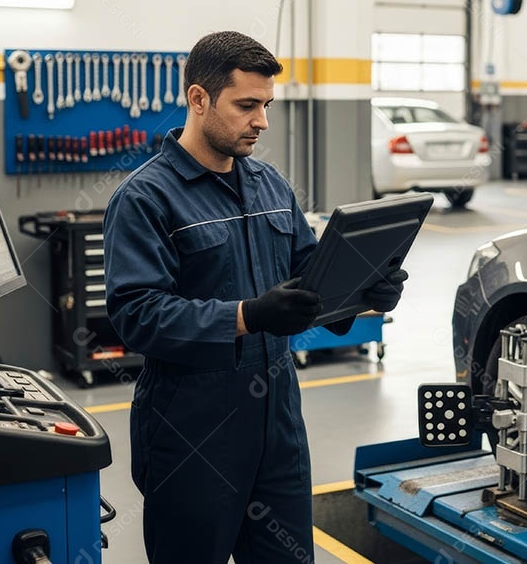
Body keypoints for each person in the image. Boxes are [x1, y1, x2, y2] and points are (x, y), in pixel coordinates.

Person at [103, 31, 408, 563]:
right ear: (199, 99)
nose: (261, 122)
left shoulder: (270, 185)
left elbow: (309, 277)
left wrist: (364, 291)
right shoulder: (145, 198)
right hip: (191, 428)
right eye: (246, 105)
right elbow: (136, 315)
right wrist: (246, 315)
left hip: (278, 421)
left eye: (265, 105)